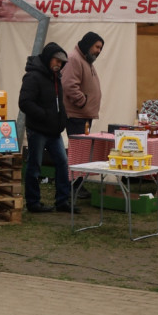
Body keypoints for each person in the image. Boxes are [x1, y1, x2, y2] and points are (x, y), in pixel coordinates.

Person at [19, 42, 76, 214]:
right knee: (34, 165)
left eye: (61, 62)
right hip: (38, 129)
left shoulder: (55, 77)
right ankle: (33, 202)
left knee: (63, 163)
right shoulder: (33, 77)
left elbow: (58, 103)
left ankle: (62, 201)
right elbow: (24, 102)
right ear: (48, 58)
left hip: (53, 130)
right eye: (56, 60)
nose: (59, 64)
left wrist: (61, 119)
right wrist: (44, 115)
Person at [61, 32, 104, 200]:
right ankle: (73, 186)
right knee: (78, 152)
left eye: (100, 48)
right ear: (88, 44)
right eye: (97, 47)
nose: (99, 51)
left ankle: (77, 185)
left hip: (83, 115)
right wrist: (83, 102)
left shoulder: (85, 60)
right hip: (77, 115)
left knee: (81, 152)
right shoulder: (74, 59)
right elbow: (69, 85)